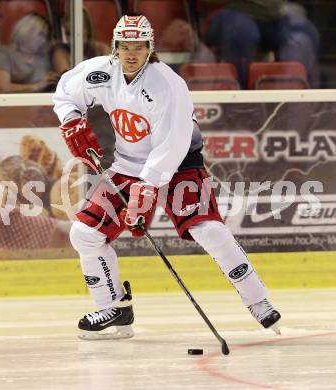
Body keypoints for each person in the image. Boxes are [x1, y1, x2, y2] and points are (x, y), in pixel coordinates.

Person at [53, 14, 281, 340]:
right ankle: (114, 306)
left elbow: (173, 142)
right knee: (83, 233)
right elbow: (65, 91)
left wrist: (148, 187)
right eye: (124, 46)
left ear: (150, 47)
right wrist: (71, 119)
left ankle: (258, 300)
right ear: (115, 47)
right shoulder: (102, 72)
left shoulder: (167, 83)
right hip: (129, 167)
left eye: (139, 46)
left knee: (209, 230)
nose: (131, 53)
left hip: (179, 166)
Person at [201, 0, 319, 88]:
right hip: (227, 11)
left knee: (304, 35)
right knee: (242, 32)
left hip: (273, 16)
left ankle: (288, 100)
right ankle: (238, 101)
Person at [0, 12, 60, 93]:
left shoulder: (42, 57)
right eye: (40, 34)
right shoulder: (2, 53)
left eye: (45, 36)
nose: (43, 40)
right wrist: (36, 87)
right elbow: (2, 88)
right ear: (27, 31)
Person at [52, 7, 110, 75]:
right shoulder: (60, 52)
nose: (71, 38)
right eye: (68, 33)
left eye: (76, 32)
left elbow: (110, 74)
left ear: (87, 30)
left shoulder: (101, 50)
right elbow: (66, 79)